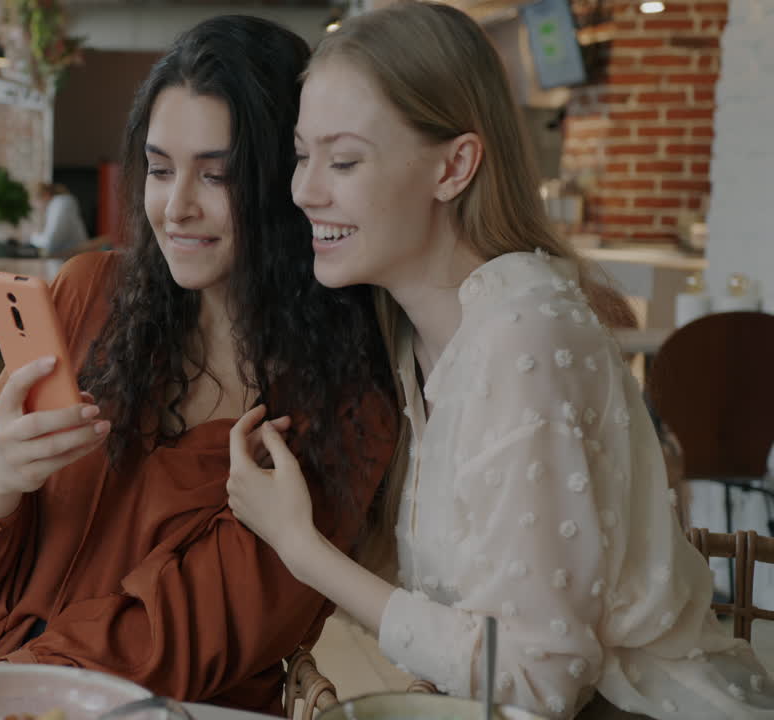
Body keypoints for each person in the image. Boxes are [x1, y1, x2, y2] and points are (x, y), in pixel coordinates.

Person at [226, 3, 774, 718]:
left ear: (454, 166)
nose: (305, 189)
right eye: (303, 154)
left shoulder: (525, 337)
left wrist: (304, 549)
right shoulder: (410, 336)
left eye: (345, 159)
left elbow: (540, 678)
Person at [0, 15, 396, 714]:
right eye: (160, 169)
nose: (176, 207)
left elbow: (176, 642)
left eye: (217, 175)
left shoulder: (341, 396)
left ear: (286, 183)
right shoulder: (87, 295)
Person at [27, 181, 88, 257]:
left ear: (45, 195)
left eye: (35, 203)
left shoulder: (59, 204)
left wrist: (33, 238)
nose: (37, 208)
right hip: (71, 257)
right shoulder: (57, 204)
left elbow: (50, 243)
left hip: (75, 257)